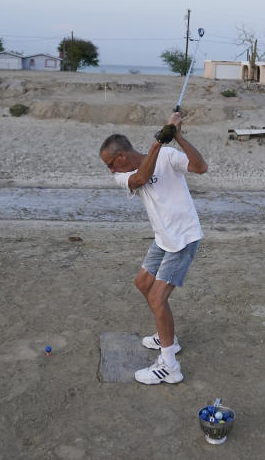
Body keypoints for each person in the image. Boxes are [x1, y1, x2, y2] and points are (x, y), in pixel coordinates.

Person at [99, 112, 207, 385]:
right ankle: (166, 334)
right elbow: (143, 177)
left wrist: (177, 136)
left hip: (182, 238)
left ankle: (169, 365)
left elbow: (200, 167)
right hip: (162, 239)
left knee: (158, 299)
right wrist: (158, 142)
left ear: (121, 156)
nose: (111, 171)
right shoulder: (125, 177)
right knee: (142, 284)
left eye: (111, 164)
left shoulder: (168, 156)